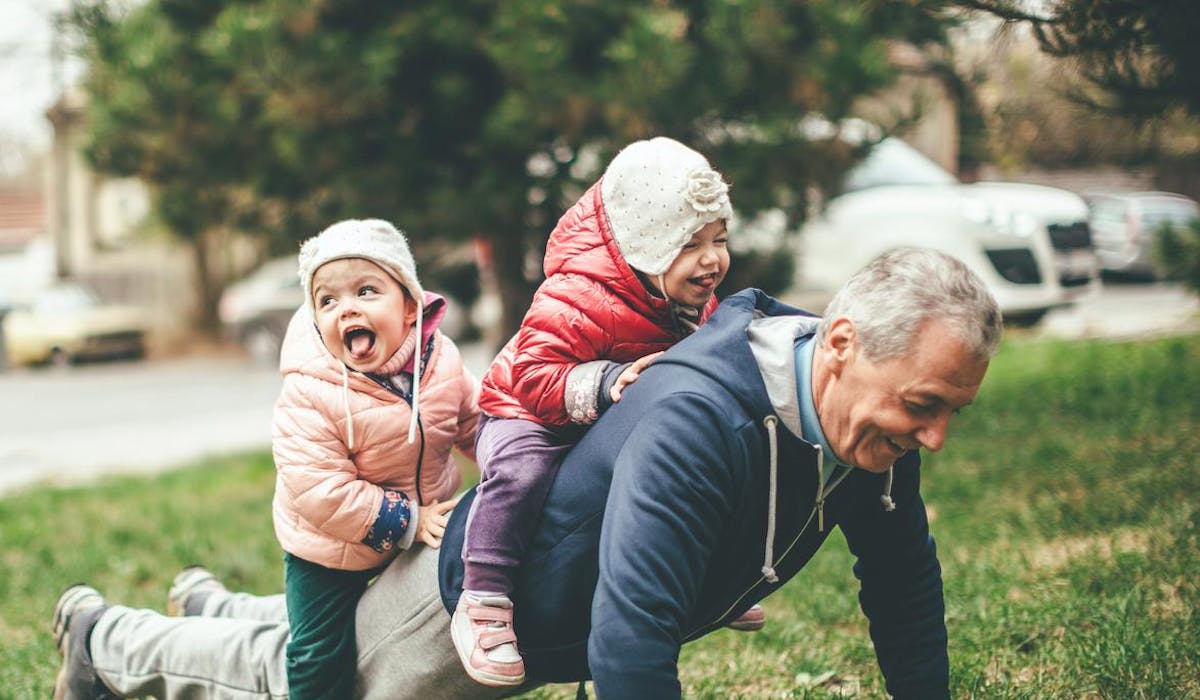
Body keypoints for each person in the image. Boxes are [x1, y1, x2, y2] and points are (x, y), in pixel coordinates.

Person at [52, 247, 1002, 700]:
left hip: (519, 595)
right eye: (925, 406)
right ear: (838, 344)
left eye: (951, 410)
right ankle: (104, 642)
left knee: (309, 628)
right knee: (292, 679)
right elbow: (630, 649)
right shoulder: (702, 419)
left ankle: (219, 603)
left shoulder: (864, 420)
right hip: (464, 597)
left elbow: (904, 583)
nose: (935, 438)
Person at [453, 135, 760, 688]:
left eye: (719, 238)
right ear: (644, 244)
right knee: (522, 474)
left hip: (607, 413)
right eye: (690, 243)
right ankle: (484, 597)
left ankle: (707, 578)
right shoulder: (573, 295)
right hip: (528, 411)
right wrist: (608, 381)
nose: (712, 258)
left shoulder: (685, 299)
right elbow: (533, 376)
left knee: (685, 469)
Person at [270, 219, 482, 698]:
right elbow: (320, 490)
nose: (346, 309)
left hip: (423, 519)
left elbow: (473, 421)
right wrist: (408, 518)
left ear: (410, 306)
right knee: (319, 650)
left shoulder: (441, 362)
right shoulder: (309, 392)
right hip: (327, 545)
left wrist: (510, 463)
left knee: (420, 627)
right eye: (328, 300)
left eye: (366, 291)